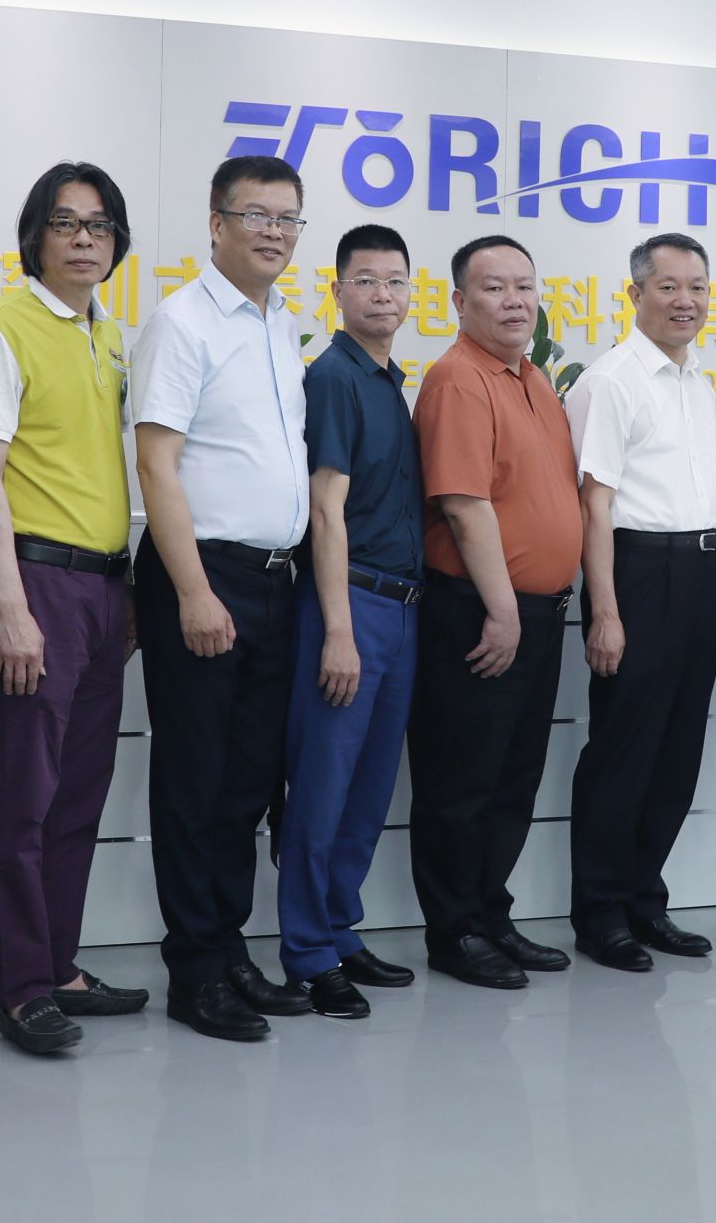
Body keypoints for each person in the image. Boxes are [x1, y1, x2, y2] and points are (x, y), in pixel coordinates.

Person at [0, 162, 145, 1054]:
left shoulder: (109, 334)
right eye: (66, 223)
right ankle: (23, 987)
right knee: (24, 800)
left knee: (78, 793)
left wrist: (129, 587)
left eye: (99, 226)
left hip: (105, 589)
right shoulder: (1, 328)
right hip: (36, 587)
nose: (83, 240)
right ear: (34, 235)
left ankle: (60, 965)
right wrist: (12, 606)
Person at [133, 154, 314, 1041]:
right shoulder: (181, 322)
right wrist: (194, 590)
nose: (274, 232)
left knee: (246, 781)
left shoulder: (282, 323)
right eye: (257, 215)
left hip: (275, 580)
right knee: (195, 780)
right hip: (205, 576)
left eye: (288, 219)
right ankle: (194, 972)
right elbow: (155, 461)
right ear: (216, 224)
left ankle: (230, 948)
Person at [408, 234, 582, 990]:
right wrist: (503, 610)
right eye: (494, 288)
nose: (514, 301)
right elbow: (464, 504)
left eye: (524, 286)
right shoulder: (457, 378)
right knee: (461, 779)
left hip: (537, 612)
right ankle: (454, 931)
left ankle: (489, 913)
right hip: (479, 612)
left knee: (512, 776)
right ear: (459, 301)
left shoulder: (534, 379)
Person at [563, 233, 716, 971]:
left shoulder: (701, 380)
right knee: (624, 750)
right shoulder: (612, 380)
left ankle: (643, 900)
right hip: (636, 572)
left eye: (697, 287)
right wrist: (604, 611)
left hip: (699, 573)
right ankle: (600, 913)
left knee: (677, 751)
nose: (685, 301)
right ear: (635, 295)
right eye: (668, 286)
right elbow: (594, 503)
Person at [275, 225, 424, 1018]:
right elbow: (325, 509)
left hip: (401, 606)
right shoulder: (334, 376)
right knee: (324, 785)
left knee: (368, 787)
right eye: (365, 280)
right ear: (337, 291)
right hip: (353, 603)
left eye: (395, 281)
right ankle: (306, 951)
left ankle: (339, 927)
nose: (382, 294)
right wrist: (337, 628)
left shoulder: (389, 379)